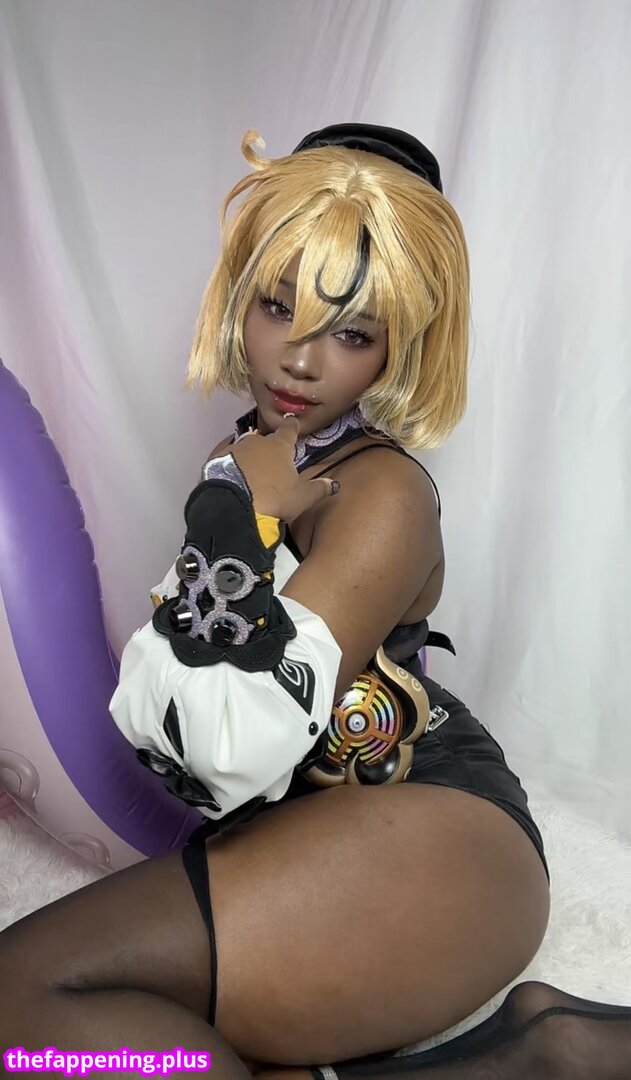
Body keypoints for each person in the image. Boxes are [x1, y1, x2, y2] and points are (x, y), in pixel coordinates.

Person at [1, 123, 629, 1080]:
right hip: (303, 826)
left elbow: (223, 747)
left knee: (20, 1001)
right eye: (276, 305)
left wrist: (233, 516)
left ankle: (550, 1056)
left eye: (351, 333)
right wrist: (235, 507)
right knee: (39, 1010)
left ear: (395, 350)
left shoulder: (380, 494)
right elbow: (162, 714)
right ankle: (541, 1055)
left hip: (433, 835)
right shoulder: (251, 457)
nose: (298, 359)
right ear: (237, 299)